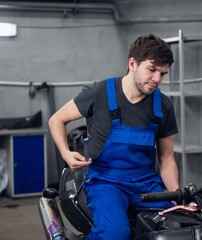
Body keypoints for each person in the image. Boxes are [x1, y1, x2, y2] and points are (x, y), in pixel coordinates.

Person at [49, 34, 179, 240]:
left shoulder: (163, 105)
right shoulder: (99, 92)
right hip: (106, 182)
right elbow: (57, 119)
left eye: (163, 73)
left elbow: (166, 158)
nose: (157, 79)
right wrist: (66, 153)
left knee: (177, 229)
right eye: (152, 70)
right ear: (132, 64)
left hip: (146, 182)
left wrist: (175, 196)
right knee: (115, 234)